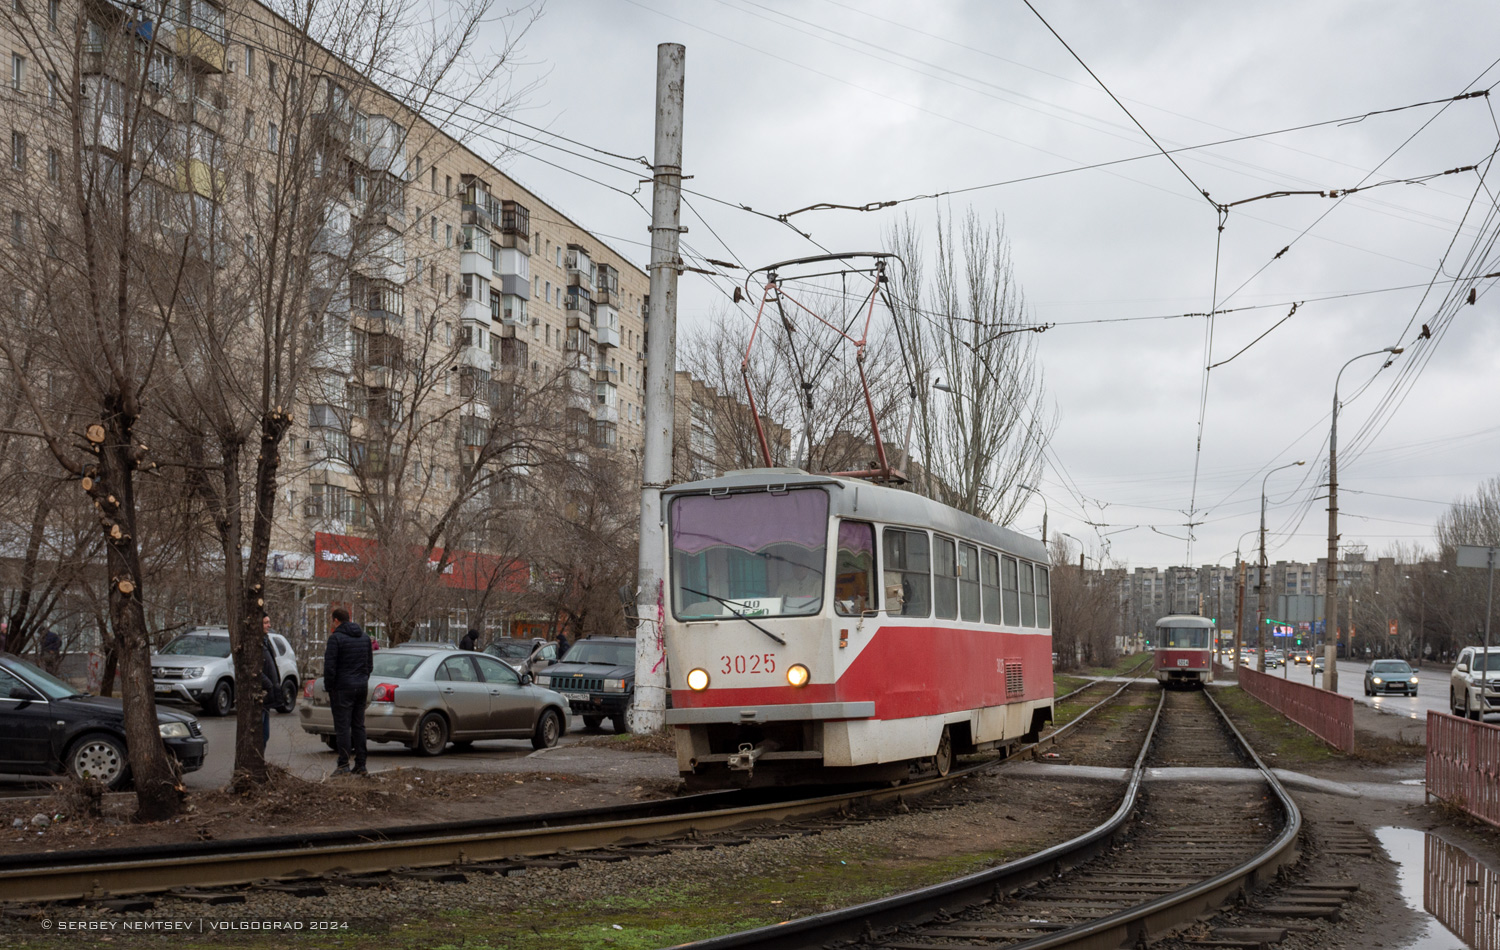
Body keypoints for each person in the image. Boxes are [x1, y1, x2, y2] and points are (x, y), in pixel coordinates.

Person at [323, 608, 373, 776]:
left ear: (336, 620)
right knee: (359, 725)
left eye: (332, 621)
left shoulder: (335, 639)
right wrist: (362, 678)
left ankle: (343, 763)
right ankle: (361, 764)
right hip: (361, 686)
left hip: (342, 688)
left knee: (343, 727)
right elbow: (369, 665)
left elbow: (330, 668)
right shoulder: (365, 638)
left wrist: (330, 687)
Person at [260, 617, 279, 751]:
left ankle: (260, 762)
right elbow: (254, 669)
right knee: (260, 734)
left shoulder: (266, 641)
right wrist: (268, 684)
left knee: (265, 735)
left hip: (267, 696)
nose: (269, 625)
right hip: (260, 694)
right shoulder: (255, 643)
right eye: (266, 623)